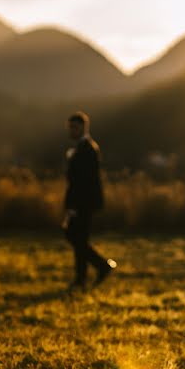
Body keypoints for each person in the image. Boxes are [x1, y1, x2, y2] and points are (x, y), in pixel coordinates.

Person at [63, 111, 115, 290]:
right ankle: (83, 276)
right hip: (82, 202)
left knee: (76, 237)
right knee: (78, 238)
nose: (70, 131)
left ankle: (100, 267)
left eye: (73, 127)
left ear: (82, 128)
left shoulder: (87, 149)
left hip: (83, 203)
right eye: (69, 127)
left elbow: (84, 181)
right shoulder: (81, 148)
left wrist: (74, 206)